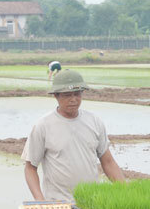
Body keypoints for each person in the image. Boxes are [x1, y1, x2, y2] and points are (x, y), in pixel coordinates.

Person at [22, 69, 125, 201]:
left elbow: (108, 162)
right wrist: (40, 200)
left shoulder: (94, 121)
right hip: (58, 203)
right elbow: (30, 168)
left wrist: (126, 192)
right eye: (67, 95)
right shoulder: (43, 126)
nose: (73, 100)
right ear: (56, 96)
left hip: (92, 203)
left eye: (77, 94)